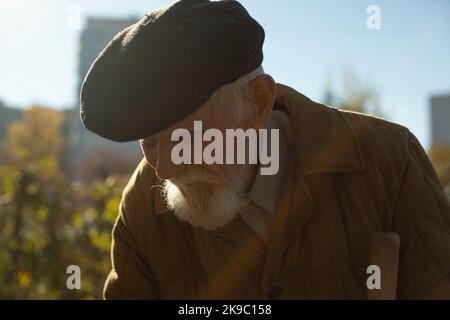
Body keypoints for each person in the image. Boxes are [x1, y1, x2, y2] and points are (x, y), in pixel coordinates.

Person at [80, 0, 450, 299]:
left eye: (185, 141)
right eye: (149, 142)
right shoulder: (142, 206)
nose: (163, 170)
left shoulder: (389, 161)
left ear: (258, 103)